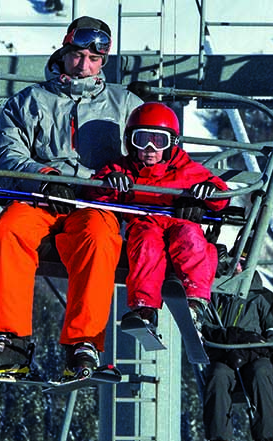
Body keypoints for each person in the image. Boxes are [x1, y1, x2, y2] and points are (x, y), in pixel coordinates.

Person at [0, 16, 141, 379]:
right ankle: (11, 341)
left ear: (103, 62)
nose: (84, 66)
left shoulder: (124, 104)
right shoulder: (31, 101)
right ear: (65, 52)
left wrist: (116, 178)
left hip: (94, 201)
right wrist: (45, 179)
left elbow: (149, 156)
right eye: (78, 56)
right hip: (41, 198)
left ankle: (83, 343)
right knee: (6, 231)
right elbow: (6, 153)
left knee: (99, 239)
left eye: (93, 60)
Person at [93, 101, 230, 336]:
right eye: (142, 139)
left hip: (179, 220)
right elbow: (95, 194)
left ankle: (196, 300)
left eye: (159, 141)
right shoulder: (123, 169)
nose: (149, 148)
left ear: (171, 145)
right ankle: (145, 309)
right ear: (130, 141)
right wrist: (109, 182)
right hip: (145, 222)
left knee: (191, 240)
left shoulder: (185, 168)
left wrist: (207, 192)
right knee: (145, 245)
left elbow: (220, 196)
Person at [193, 286, 273, 441]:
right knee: (217, 375)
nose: (238, 267)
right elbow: (204, 331)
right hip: (225, 357)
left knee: (261, 373)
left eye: (243, 262)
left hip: (255, 357)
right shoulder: (216, 294)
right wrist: (228, 342)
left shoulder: (262, 296)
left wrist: (248, 346)